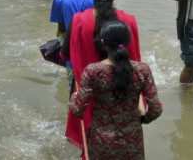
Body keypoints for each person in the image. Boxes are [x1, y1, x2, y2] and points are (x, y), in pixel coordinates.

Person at [60, 0, 142, 149]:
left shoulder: (79, 21)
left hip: (88, 86)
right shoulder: (128, 20)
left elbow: (65, 54)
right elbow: (134, 57)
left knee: (90, 137)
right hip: (122, 84)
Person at [69, 21, 162, 160]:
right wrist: (141, 120)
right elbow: (156, 109)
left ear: (103, 42)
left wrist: (74, 97)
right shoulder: (142, 70)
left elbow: (77, 109)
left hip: (101, 142)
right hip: (132, 141)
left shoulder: (92, 71)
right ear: (128, 41)